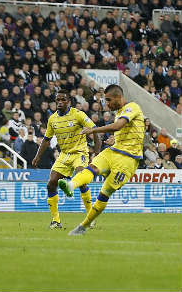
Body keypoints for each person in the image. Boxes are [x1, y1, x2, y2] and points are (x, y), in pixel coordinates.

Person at [59, 85, 144, 236]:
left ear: (119, 97)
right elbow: (123, 130)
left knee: (104, 193)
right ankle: (71, 185)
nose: (107, 104)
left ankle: (83, 226)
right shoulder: (119, 112)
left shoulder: (132, 107)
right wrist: (115, 139)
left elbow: (118, 126)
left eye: (109, 100)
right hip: (114, 151)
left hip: (128, 161)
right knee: (92, 168)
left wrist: (94, 129)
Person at [32, 90, 100, 229]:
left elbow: (95, 130)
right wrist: (37, 156)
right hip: (64, 154)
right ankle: (56, 221)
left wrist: (97, 154)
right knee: (51, 183)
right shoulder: (53, 119)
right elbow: (46, 140)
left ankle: (90, 218)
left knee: (81, 179)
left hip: (79, 152)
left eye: (63, 100)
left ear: (68, 101)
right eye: (58, 100)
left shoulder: (78, 114)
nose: (60, 102)